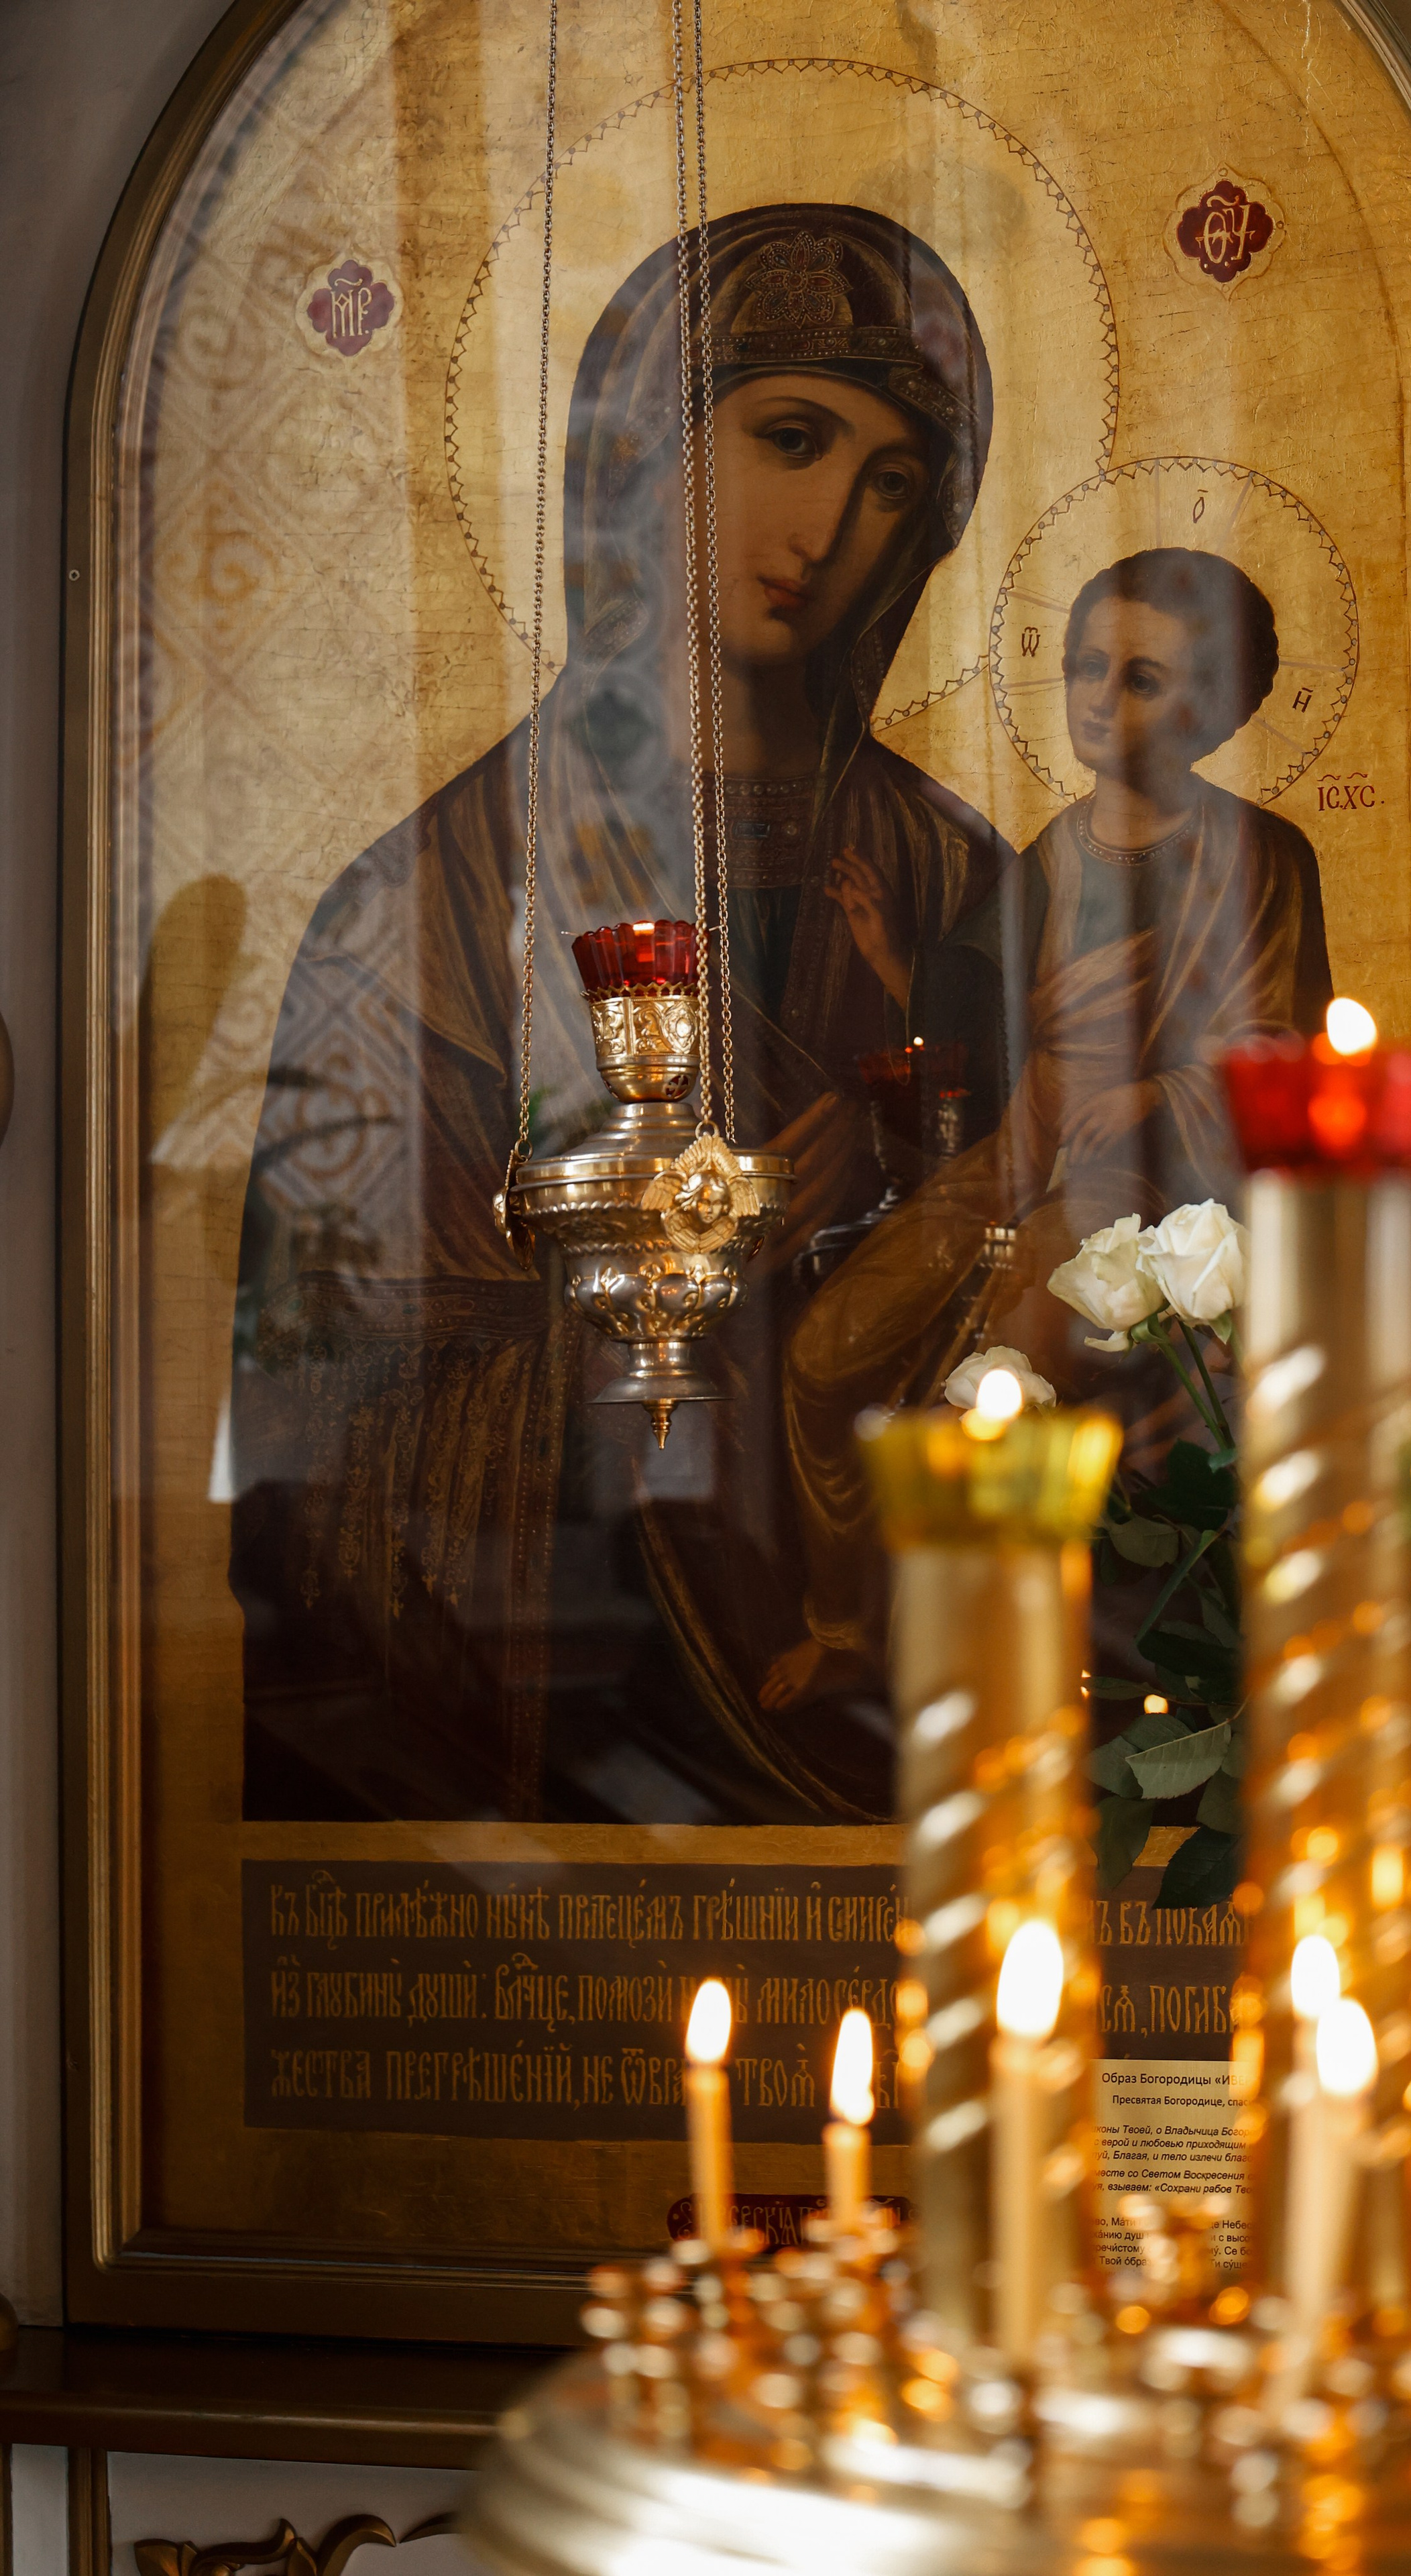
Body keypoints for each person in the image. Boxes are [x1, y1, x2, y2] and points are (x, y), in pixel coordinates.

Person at [229, 205, 1009, 1824]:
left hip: (910, 1675)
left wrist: (904, 1237)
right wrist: (664, 1294)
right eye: (788, 439)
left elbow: (1088, 1274)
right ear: (639, 455)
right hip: (577, 1724)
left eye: (889, 484)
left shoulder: (951, 873)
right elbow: (319, 1426)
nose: (830, 529)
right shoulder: (429, 899)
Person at [771, 546, 1333, 1689]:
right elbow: (976, 1028)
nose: (1096, 694)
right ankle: (846, 1630)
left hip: (1150, 1190)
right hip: (1017, 1151)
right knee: (825, 1353)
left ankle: (993, 1669)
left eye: (1142, 676)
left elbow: (1282, 1057)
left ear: (1213, 707)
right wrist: (895, 967)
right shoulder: (1050, 858)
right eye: (1086, 665)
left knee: (1001, 1380)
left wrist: (1152, 1094)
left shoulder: (1259, 858)